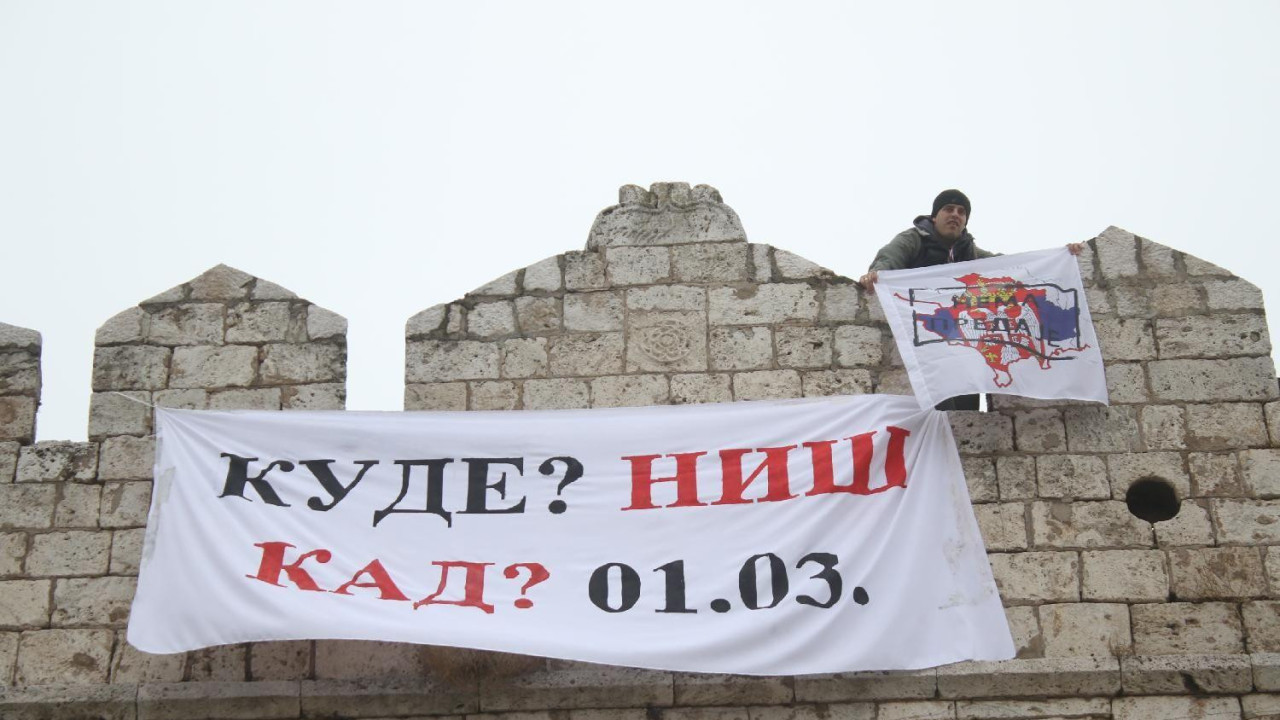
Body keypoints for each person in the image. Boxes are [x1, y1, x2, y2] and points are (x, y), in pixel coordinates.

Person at [859, 189, 1082, 410]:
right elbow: (890, 257)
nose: (955, 214)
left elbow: (1012, 267)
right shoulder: (914, 239)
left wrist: (1060, 257)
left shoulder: (972, 253)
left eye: (961, 212)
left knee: (965, 402)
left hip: (963, 339)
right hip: (930, 336)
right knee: (937, 402)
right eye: (948, 209)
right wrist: (877, 272)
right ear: (935, 216)